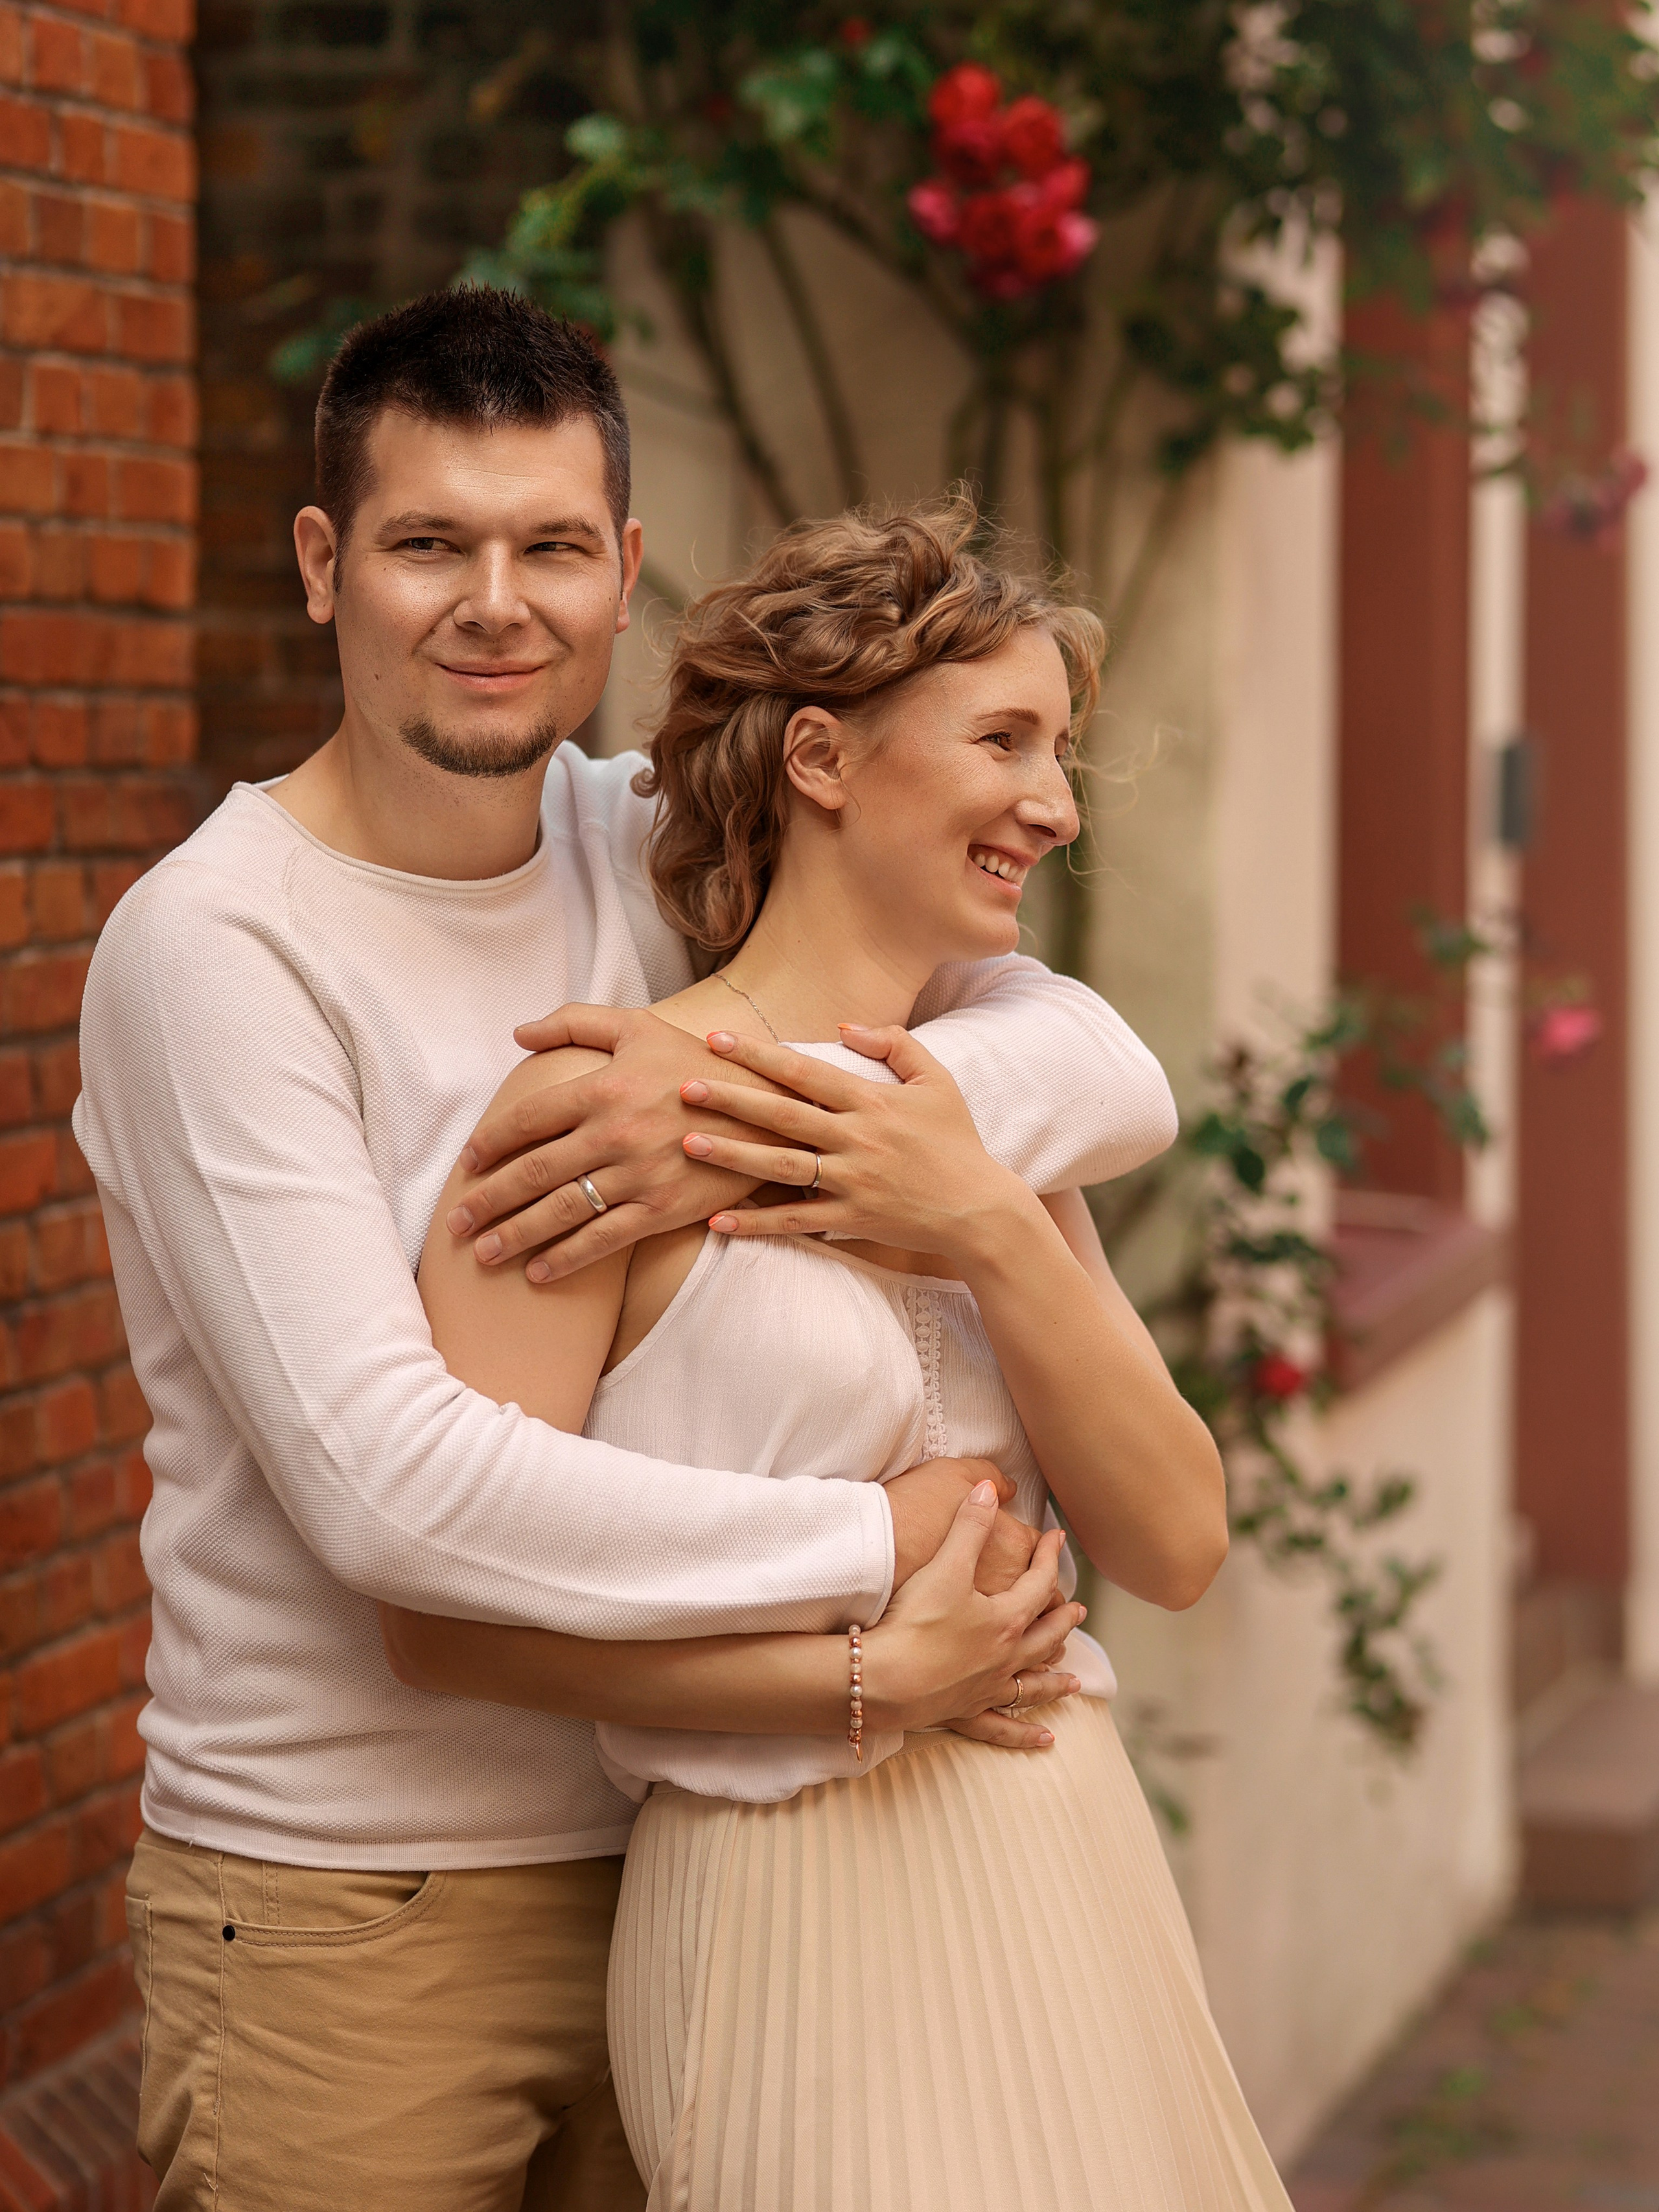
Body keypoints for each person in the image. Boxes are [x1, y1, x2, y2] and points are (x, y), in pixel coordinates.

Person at [73, 284, 1178, 2211]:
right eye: (431, 542)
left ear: (622, 569)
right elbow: (391, 1498)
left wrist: (778, 1119)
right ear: (328, 563)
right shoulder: (216, 950)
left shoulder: (639, 841)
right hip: (357, 1901)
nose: (497, 600)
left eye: (553, 546)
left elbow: (1087, 1052)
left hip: (690, 1853)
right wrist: (880, 1555)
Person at [382, 499, 1295, 2211]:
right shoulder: (602, 1111)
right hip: (783, 1890)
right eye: (1006, 740)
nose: (1056, 803)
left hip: (1061, 1852)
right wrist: (875, 1681)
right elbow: (443, 1614)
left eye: (1064, 752)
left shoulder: (987, 1119)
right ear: (821, 754)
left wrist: (987, 1221)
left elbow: (1175, 1540)